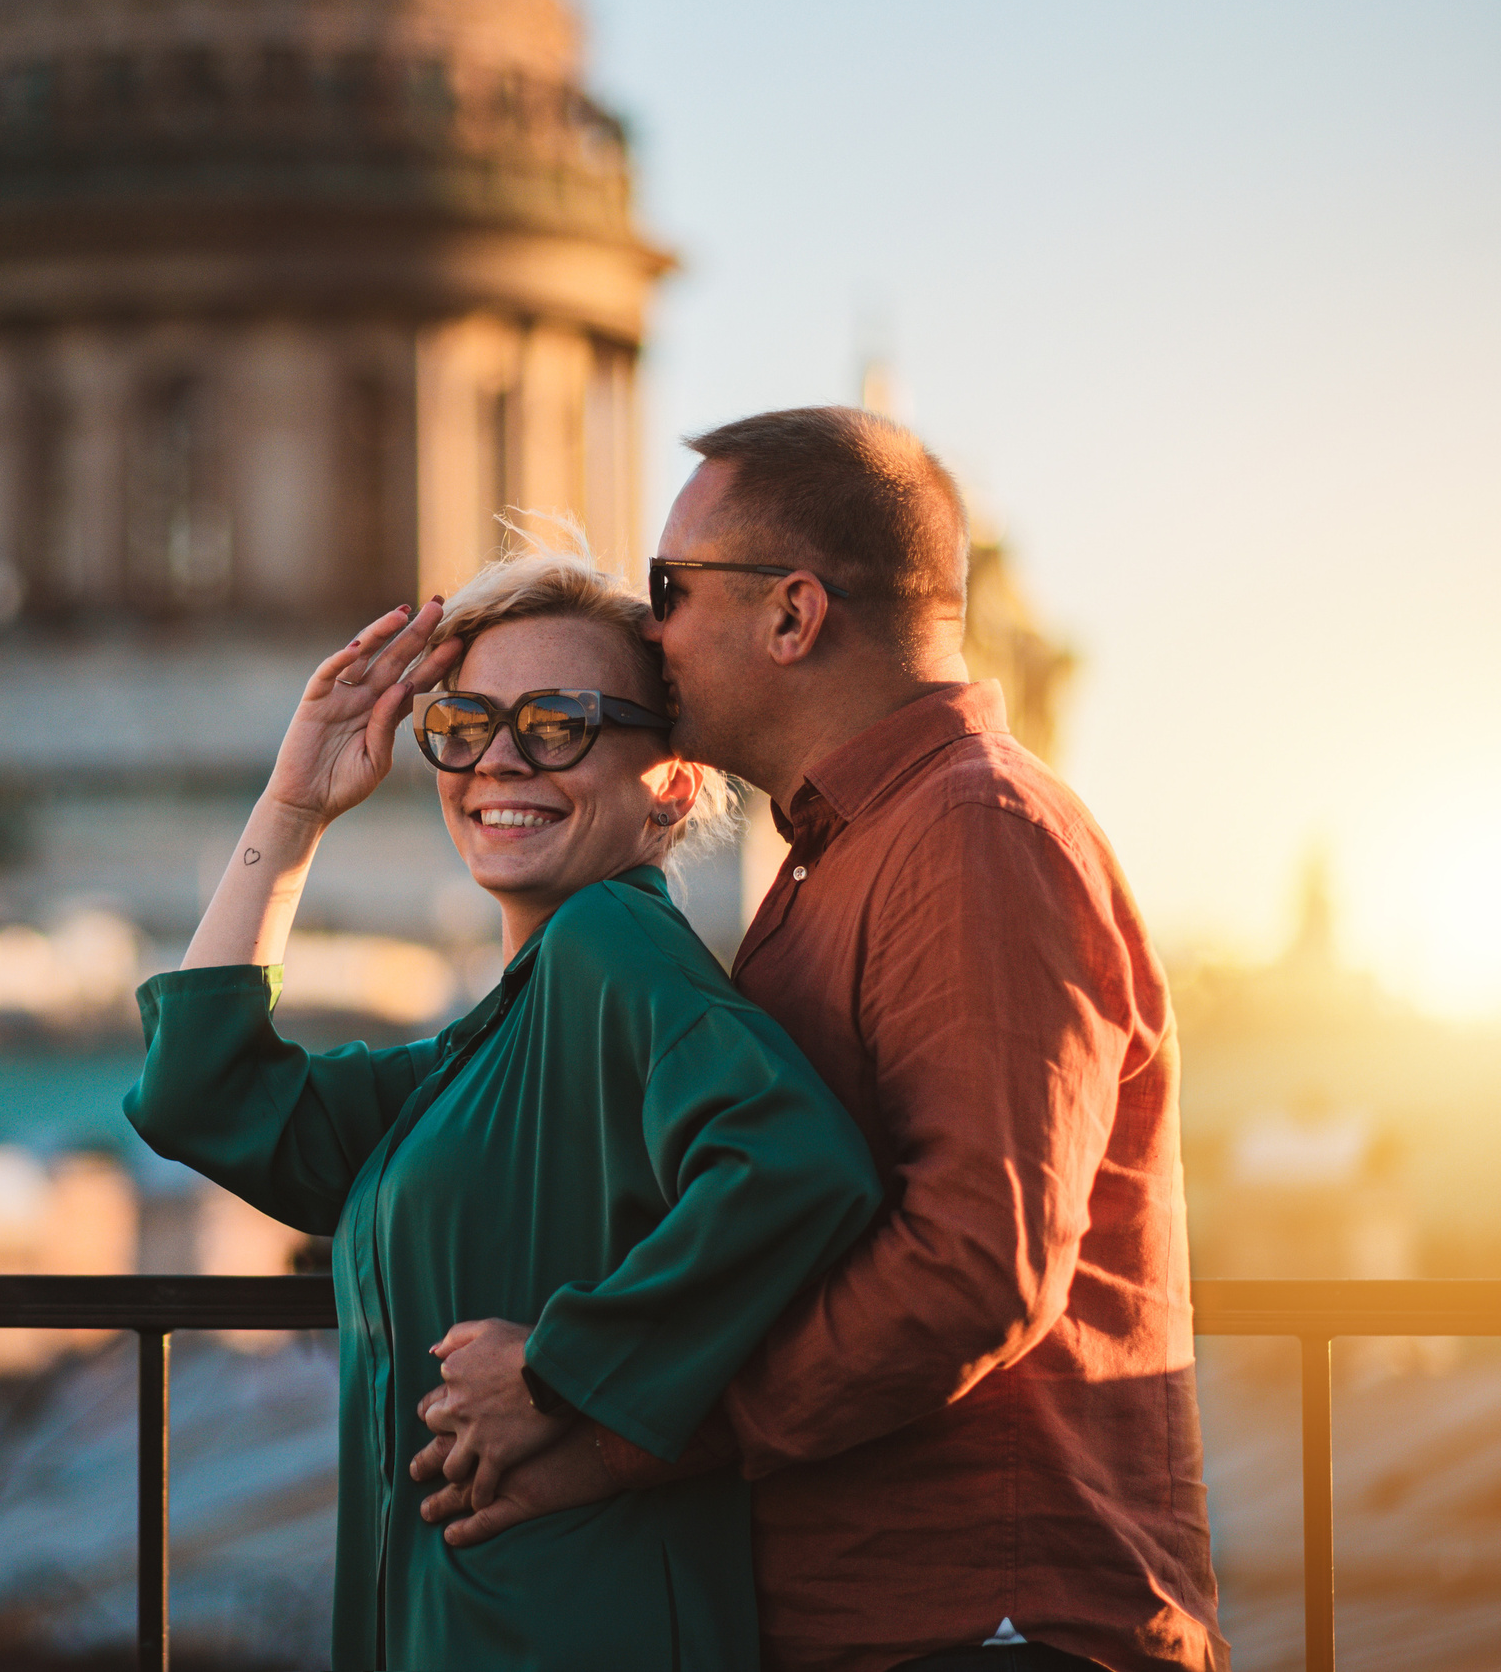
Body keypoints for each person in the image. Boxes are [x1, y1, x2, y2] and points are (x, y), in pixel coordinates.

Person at [415, 408, 1225, 1672]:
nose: (649, 630)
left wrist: (611, 1419)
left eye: (670, 589)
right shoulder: (851, 850)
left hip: (982, 1626)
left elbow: (972, 1265)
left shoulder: (974, 831)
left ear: (793, 614)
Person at [123, 544, 883, 1670]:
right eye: (463, 723)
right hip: (466, 1620)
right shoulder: (483, 1054)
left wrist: (557, 1368)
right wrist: (291, 807)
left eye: (560, 721)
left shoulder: (610, 942)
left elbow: (797, 1163)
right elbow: (203, 1091)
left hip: (576, 1617)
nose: (498, 761)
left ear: (670, 779)